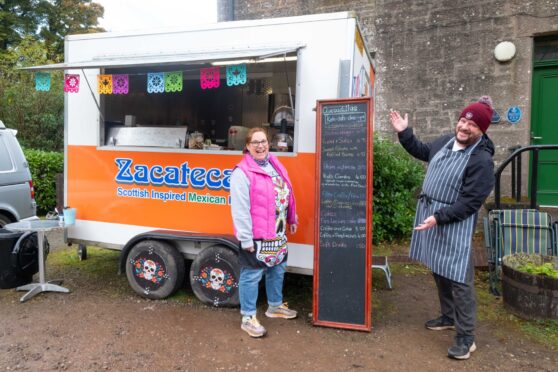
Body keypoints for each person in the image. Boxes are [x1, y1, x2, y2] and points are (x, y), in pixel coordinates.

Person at [389, 96, 495, 360]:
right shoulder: (447, 140)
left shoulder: (481, 160)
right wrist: (405, 133)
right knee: (438, 269)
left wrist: (440, 217)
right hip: (431, 217)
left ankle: (466, 338)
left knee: (459, 279)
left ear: (481, 130)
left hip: (453, 222)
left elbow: (471, 202)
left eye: (471, 125)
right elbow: (422, 151)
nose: (464, 127)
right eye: (462, 121)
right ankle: (448, 317)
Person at [230, 127, 299, 338]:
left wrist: (291, 218)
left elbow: (287, 192)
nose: (260, 146)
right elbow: (240, 209)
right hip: (256, 234)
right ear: (247, 147)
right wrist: (245, 238)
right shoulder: (241, 172)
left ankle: (274, 306)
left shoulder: (275, 163)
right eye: (255, 143)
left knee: (277, 269)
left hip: (277, 231)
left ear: (268, 143)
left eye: (263, 141)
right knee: (251, 275)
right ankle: (247, 317)